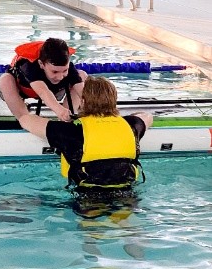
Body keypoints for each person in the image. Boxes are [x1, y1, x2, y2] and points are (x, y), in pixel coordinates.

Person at [15, 74, 151, 197]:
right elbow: (148, 116)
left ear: (83, 102)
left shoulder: (69, 131)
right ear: (114, 101)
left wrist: (63, 119)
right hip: (127, 193)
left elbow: (25, 120)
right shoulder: (132, 126)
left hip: (87, 196)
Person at [0, 37, 85, 122]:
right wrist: (60, 111)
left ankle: (66, 119)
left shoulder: (69, 67)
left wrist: (93, 106)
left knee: (82, 75)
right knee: (5, 80)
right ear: (41, 64)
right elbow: (43, 92)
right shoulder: (29, 65)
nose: (60, 77)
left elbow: (82, 92)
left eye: (65, 70)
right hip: (24, 91)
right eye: (55, 72)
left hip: (55, 91)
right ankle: (25, 120)